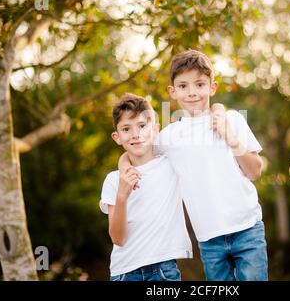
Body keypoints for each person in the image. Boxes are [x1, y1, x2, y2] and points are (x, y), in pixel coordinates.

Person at [120, 50, 268, 281]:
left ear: (212, 87)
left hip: (247, 229)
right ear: (173, 91)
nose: (192, 92)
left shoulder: (233, 120)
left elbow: (255, 171)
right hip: (209, 239)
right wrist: (122, 165)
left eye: (199, 84)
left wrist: (230, 136)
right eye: (183, 86)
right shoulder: (170, 137)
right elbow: (136, 150)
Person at [99, 93, 192, 281]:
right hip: (125, 272)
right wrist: (122, 196)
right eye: (126, 129)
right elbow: (118, 238)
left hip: (164, 269)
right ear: (117, 137)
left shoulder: (171, 164)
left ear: (156, 129)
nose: (135, 134)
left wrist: (218, 109)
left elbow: (195, 126)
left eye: (142, 126)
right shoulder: (113, 180)